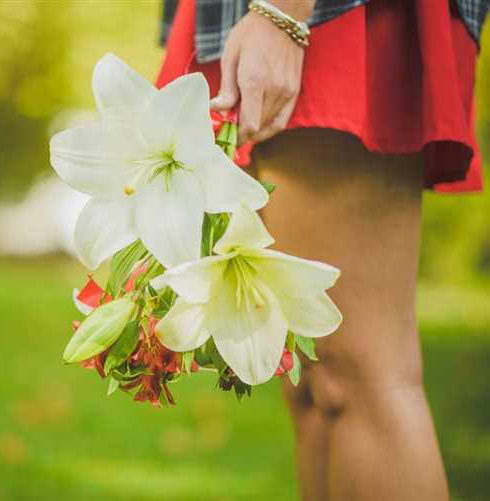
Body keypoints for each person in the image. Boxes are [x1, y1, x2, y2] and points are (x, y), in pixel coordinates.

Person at [156, 0, 488, 500]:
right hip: (244, 17)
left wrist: (281, 12)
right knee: (314, 384)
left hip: (328, 16)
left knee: (357, 376)